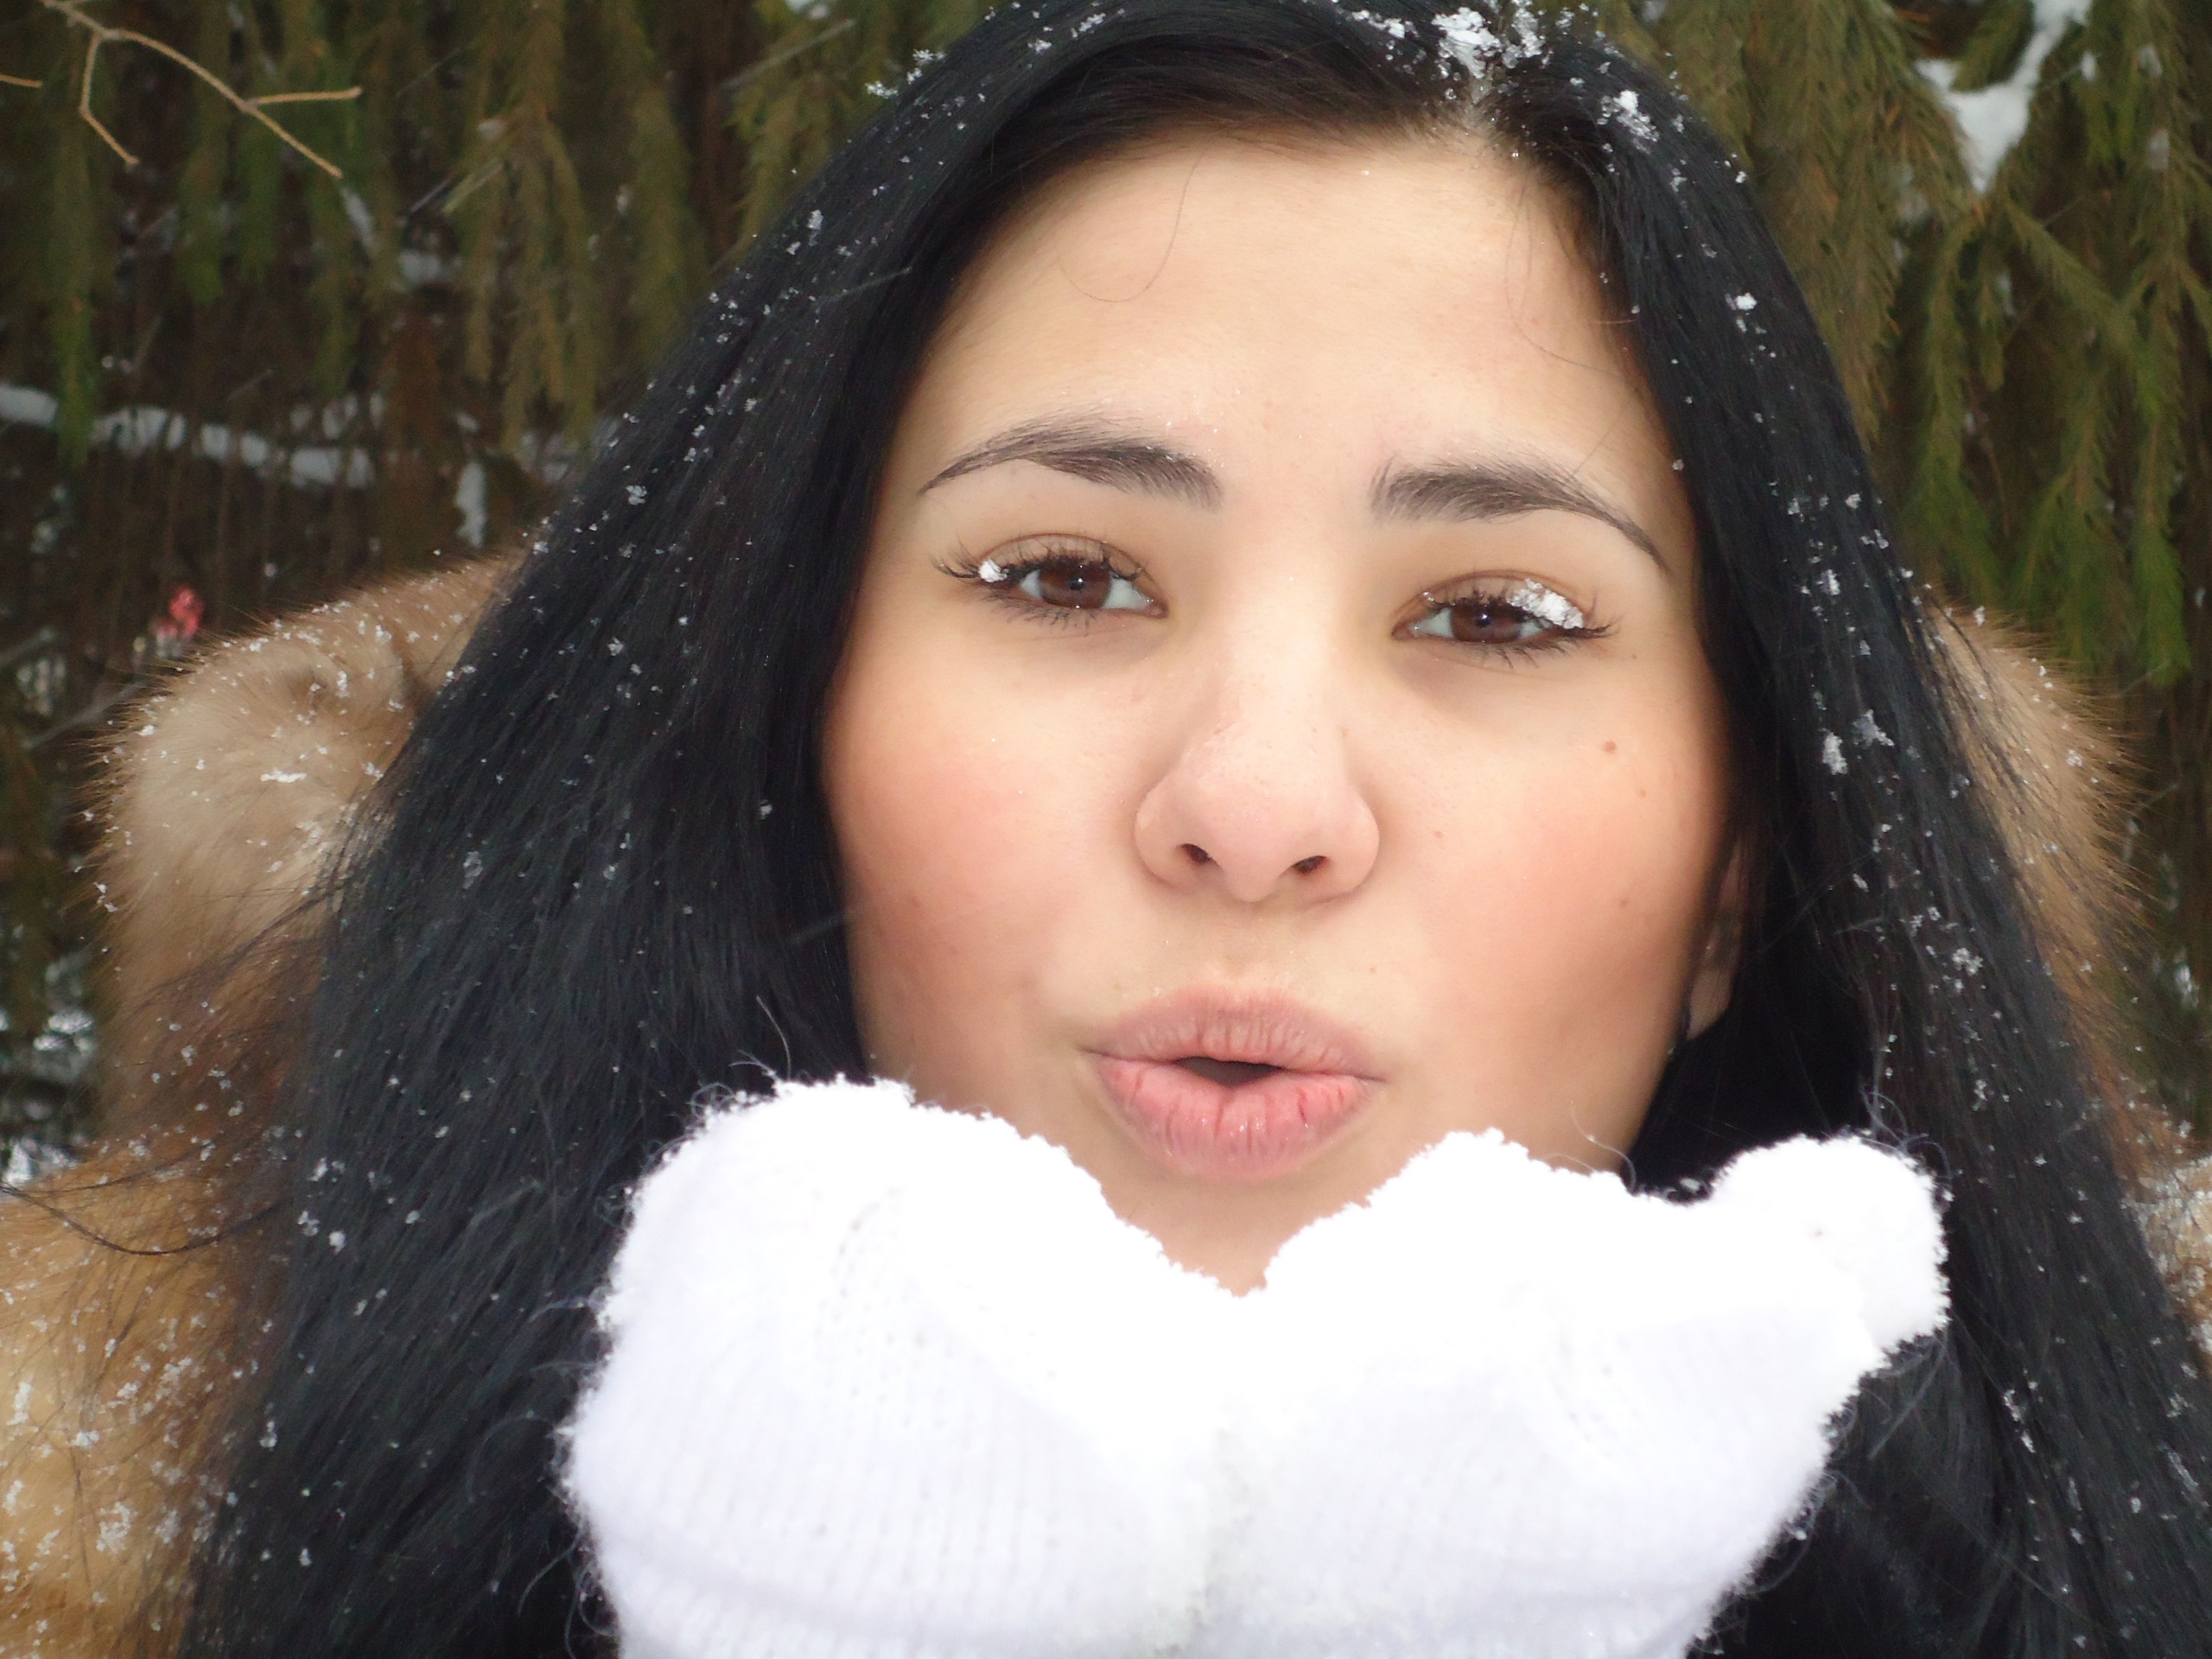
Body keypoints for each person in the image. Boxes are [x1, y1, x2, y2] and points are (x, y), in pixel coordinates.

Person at [6, 0, 2212, 1653]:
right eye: (1064, 579)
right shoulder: (94, 1547)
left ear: (1742, 873)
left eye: (1495, 614)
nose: (1252, 810)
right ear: (779, 717)